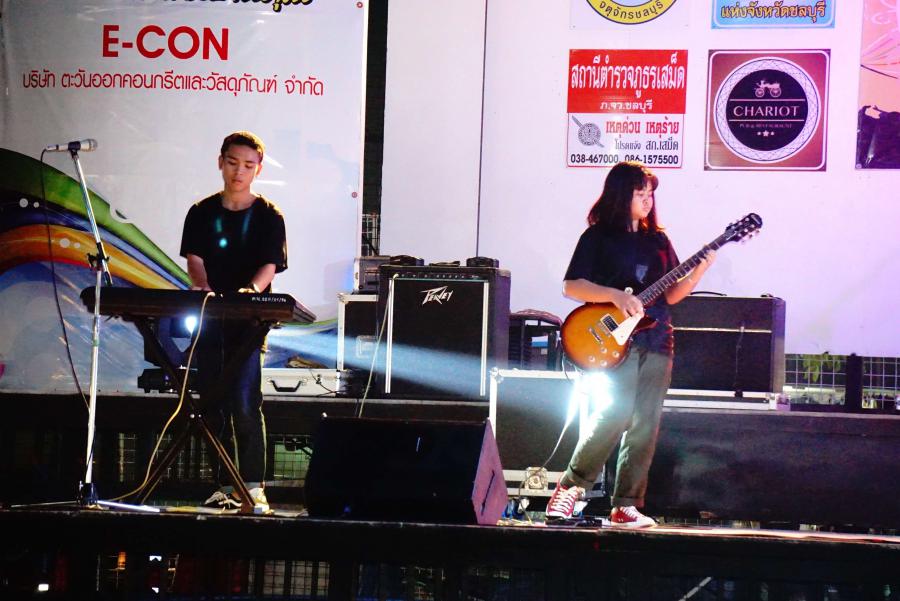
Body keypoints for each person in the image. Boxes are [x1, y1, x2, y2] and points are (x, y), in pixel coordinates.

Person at [547, 161, 714, 527]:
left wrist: (700, 269)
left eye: (650, 194)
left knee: (645, 424)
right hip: (615, 342)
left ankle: (626, 505)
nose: (648, 200)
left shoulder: (659, 241)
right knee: (616, 414)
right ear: (622, 195)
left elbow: (671, 295)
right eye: (641, 193)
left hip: (658, 338)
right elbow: (572, 286)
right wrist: (615, 296)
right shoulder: (597, 237)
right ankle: (570, 487)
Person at [179, 131, 288, 513]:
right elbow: (195, 259)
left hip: (249, 322)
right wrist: (202, 286)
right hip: (210, 319)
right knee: (212, 405)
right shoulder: (201, 212)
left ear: (258, 169)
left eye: (247, 165)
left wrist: (250, 292)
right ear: (220, 162)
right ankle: (223, 485)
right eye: (232, 163)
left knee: (244, 402)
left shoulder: (269, 216)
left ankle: (253, 487)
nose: (239, 172)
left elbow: (270, 264)